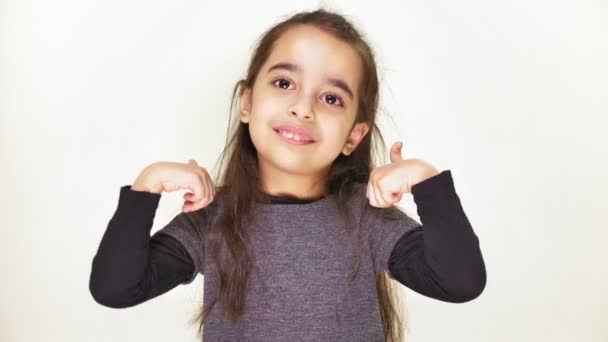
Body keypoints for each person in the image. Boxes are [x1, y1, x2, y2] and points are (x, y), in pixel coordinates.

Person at [89, 8, 486, 342]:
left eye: (331, 98)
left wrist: (427, 182)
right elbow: (115, 288)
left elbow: (460, 282)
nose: (303, 107)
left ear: (354, 135)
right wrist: (146, 187)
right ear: (247, 102)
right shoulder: (212, 218)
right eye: (284, 83)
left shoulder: (368, 219)